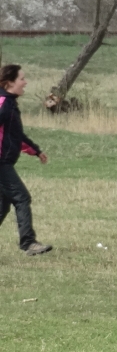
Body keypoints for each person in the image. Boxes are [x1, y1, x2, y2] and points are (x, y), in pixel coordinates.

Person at [0, 64, 52, 255]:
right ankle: (28, 243)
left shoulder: (9, 103)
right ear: (10, 82)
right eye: (21, 79)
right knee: (22, 197)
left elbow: (16, 135)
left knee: (3, 204)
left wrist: (36, 151)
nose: (25, 82)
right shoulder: (3, 102)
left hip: (4, 161)